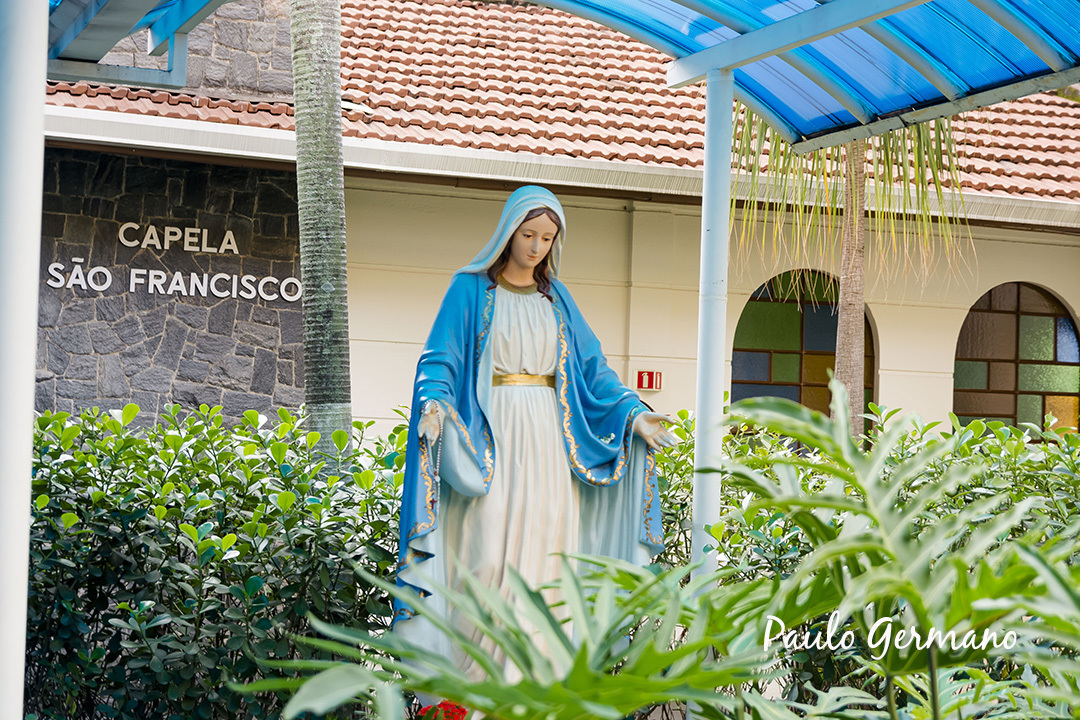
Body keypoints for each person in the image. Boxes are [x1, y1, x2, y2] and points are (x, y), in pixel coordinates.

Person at [394, 185, 676, 680]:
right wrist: (433, 404)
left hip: (549, 439)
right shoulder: (469, 289)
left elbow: (595, 370)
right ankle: (476, 690)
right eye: (528, 234)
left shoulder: (557, 298)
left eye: (547, 238)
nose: (536, 247)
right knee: (484, 556)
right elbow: (440, 359)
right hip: (493, 436)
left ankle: (540, 690)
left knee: (549, 557)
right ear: (508, 232)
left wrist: (633, 414)